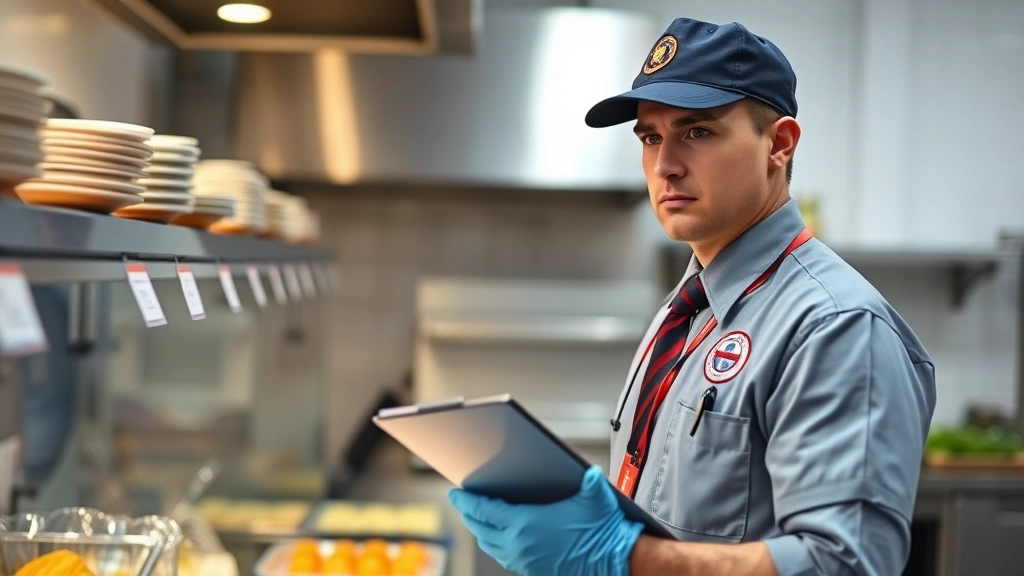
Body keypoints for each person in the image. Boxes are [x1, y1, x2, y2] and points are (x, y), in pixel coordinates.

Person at [447, 17, 937, 576]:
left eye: (697, 132)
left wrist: (622, 556)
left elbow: (847, 563)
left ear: (778, 144)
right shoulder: (691, 303)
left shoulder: (837, 326)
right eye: (651, 137)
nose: (664, 165)